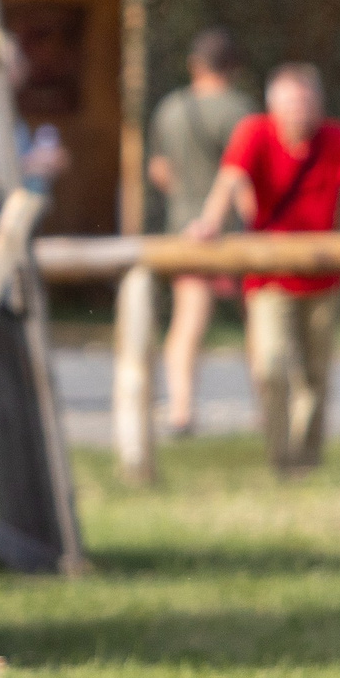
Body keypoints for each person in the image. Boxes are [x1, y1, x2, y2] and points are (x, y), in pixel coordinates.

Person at [185, 62, 340, 474]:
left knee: (315, 378)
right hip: (269, 278)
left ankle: (306, 463)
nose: (300, 110)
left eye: (308, 101)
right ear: (272, 105)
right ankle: (280, 458)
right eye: (292, 101)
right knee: (271, 366)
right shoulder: (254, 133)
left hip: (323, 278)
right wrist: (209, 224)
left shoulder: (335, 138)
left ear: (320, 105)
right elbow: (229, 181)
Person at [144, 29, 257, 436]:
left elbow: (159, 171)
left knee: (188, 320)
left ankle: (180, 409)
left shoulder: (169, 108)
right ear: (234, 67)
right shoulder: (240, 110)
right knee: (257, 320)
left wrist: (187, 200)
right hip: (233, 231)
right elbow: (243, 174)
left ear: (195, 65)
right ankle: (267, 406)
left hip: (183, 227)